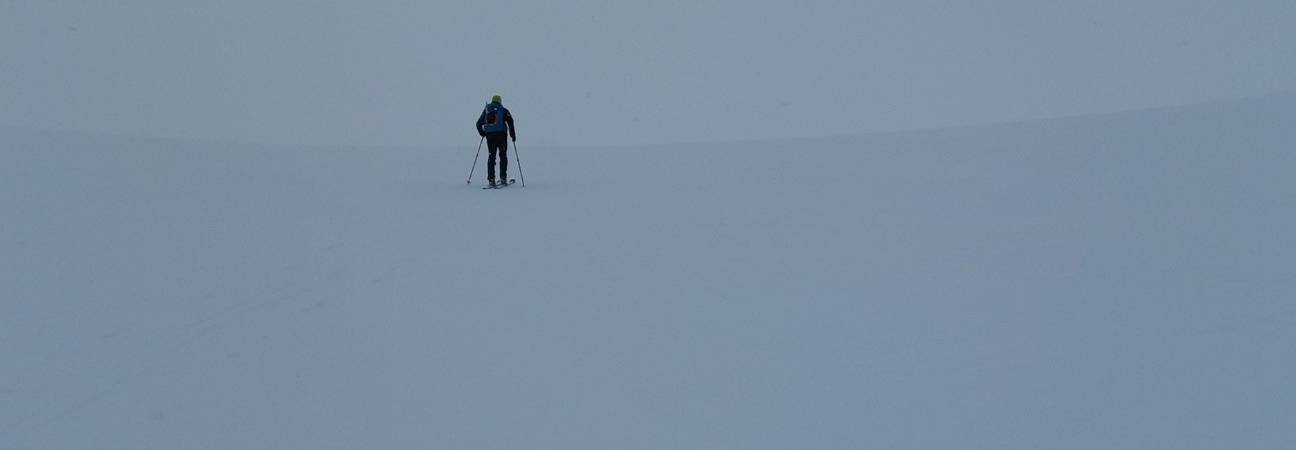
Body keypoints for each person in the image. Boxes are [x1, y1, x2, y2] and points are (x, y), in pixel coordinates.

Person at [476, 94, 516, 187]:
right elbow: (510, 121)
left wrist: (483, 133)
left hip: (490, 136)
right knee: (503, 155)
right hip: (501, 135)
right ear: (500, 101)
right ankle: (503, 178)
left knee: (491, 156)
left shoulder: (487, 110)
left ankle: (491, 179)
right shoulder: (503, 110)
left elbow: (478, 123)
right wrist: (512, 135)